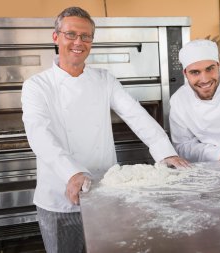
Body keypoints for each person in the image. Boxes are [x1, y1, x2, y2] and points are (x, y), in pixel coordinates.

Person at [21, 6, 188, 253]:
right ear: (56, 37)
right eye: (71, 34)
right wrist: (71, 173)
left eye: (86, 36)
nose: (79, 42)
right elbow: (39, 134)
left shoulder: (104, 79)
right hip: (59, 195)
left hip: (103, 191)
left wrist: (164, 151)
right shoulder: (37, 85)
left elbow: (136, 114)